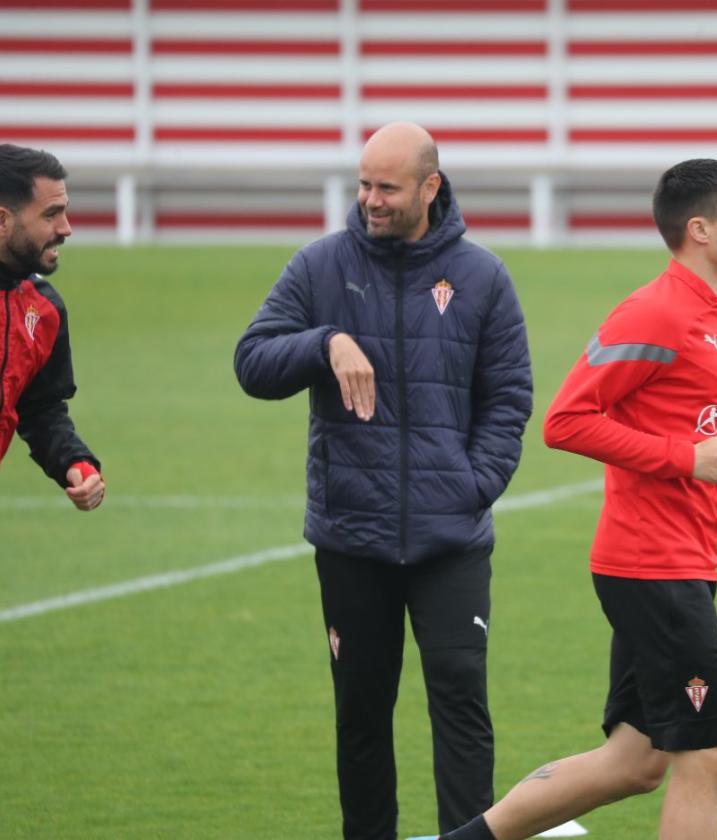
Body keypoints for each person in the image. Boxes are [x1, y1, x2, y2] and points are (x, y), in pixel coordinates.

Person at [441, 158, 717, 840]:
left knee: (635, 762)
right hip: (650, 565)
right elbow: (566, 421)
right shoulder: (654, 312)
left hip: (687, 560)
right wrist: (686, 460)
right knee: (710, 754)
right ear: (700, 230)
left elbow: (696, 420)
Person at [233, 122, 533, 840]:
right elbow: (252, 363)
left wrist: (472, 485)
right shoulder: (319, 267)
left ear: (430, 187)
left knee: (461, 705)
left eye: (387, 187)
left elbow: (510, 397)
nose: (370, 199)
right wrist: (325, 341)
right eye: (364, 183)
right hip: (352, 537)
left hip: (451, 540)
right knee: (361, 715)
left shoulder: (483, 276)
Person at [0, 144, 104, 511]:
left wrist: (75, 463)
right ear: (2, 220)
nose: (66, 229)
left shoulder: (43, 309)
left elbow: (41, 407)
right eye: (51, 214)